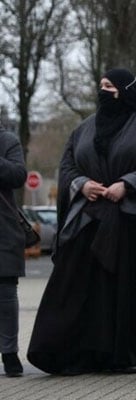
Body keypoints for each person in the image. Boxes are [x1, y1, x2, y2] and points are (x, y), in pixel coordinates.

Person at [27, 68, 136, 375]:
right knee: (70, 284)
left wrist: (127, 184)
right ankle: (62, 352)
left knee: (118, 291)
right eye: (101, 86)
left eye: (111, 86)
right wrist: (82, 185)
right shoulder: (84, 128)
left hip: (127, 222)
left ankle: (117, 356)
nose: (104, 91)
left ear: (127, 90)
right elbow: (67, 166)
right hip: (86, 220)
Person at [0, 127, 27, 377]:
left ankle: (9, 352)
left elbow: (18, 175)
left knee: (6, 292)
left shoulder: (7, 140)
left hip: (3, 229)